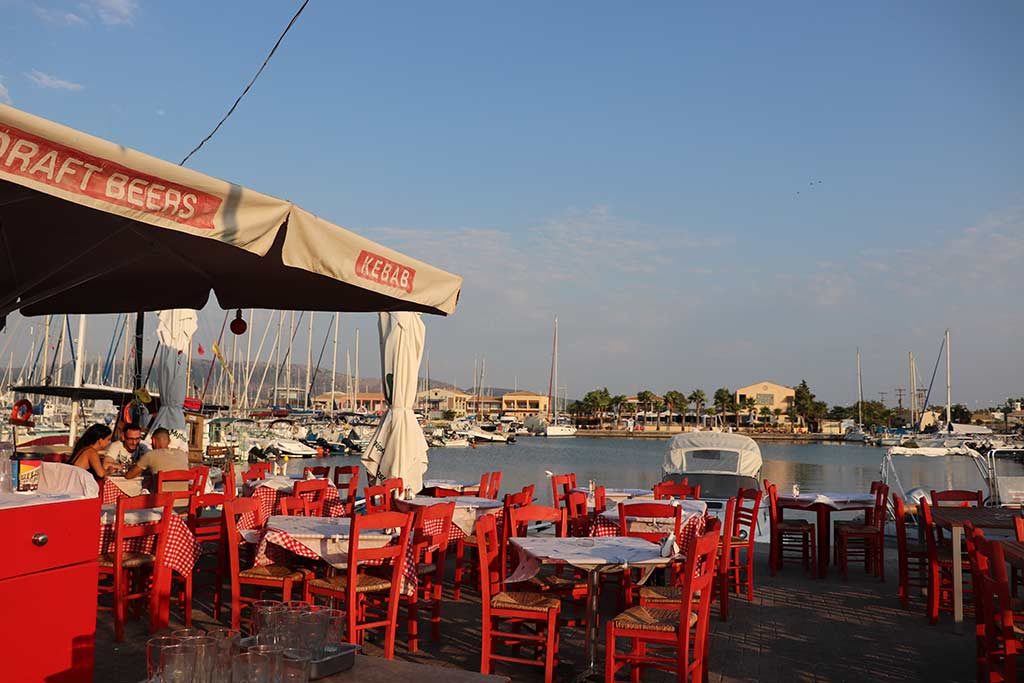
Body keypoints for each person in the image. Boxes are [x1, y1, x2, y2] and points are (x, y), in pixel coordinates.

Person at [124, 427, 189, 491]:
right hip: (185, 499)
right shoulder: (182, 453)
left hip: (161, 499)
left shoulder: (151, 454)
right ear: (169, 441)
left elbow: (129, 475)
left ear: (154, 440)